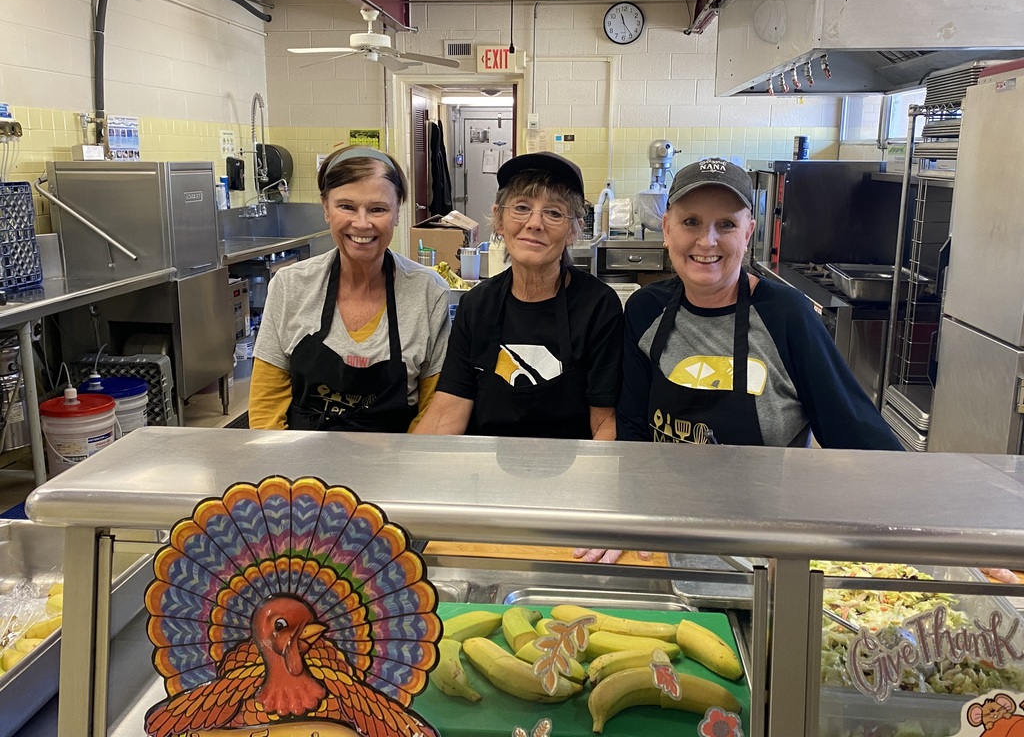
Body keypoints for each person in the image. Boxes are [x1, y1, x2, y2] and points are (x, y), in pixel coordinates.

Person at [617, 157, 902, 450]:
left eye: (726, 224)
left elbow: (863, 442)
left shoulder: (787, 316)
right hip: (664, 493)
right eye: (691, 222)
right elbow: (631, 431)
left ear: (748, 233)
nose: (707, 241)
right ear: (666, 229)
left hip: (765, 496)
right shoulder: (645, 309)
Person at [413, 151, 623, 441]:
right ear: (499, 220)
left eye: (553, 212)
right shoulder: (477, 305)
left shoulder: (598, 306)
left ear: (573, 229)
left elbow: (604, 425)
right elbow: (448, 412)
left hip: (570, 477)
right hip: (486, 476)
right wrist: (407, 472)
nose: (535, 223)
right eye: (522, 207)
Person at [248, 146, 451, 432]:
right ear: (326, 209)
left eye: (378, 209)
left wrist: (405, 471)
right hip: (302, 467)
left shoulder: (428, 293)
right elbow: (266, 407)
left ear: (397, 213)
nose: (362, 223)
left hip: (394, 464)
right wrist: (290, 473)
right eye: (346, 206)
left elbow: (434, 409)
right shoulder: (290, 285)